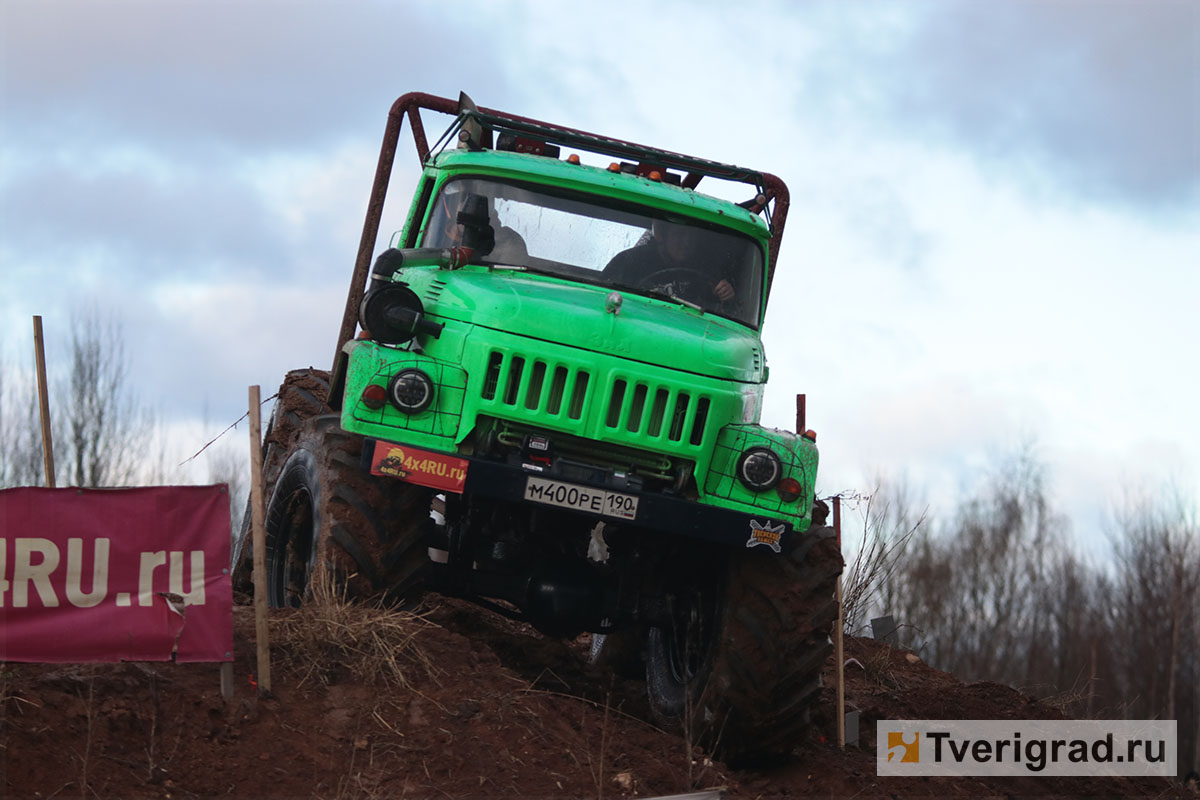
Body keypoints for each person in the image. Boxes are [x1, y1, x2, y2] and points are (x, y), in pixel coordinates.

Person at [603, 218, 735, 306]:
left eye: (692, 237)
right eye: (680, 235)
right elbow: (603, 294)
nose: (686, 243)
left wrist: (726, 294)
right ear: (663, 236)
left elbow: (721, 310)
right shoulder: (631, 261)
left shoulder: (704, 268)